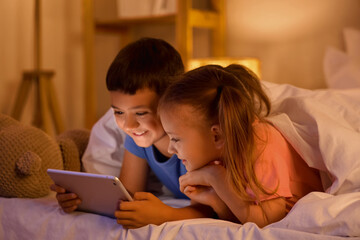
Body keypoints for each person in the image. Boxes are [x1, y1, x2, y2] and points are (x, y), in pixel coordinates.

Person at [50, 37, 212, 228]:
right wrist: (80, 200)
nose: (129, 125)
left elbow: (214, 207)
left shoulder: (196, 140)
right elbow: (129, 194)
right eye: (119, 112)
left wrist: (166, 215)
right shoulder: (138, 139)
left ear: (172, 101)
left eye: (141, 113)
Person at [158, 64, 324, 227]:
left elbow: (268, 221)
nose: (170, 149)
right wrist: (216, 201)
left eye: (175, 139)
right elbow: (240, 219)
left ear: (216, 135)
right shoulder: (214, 153)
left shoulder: (261, 142)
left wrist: (216, 178)